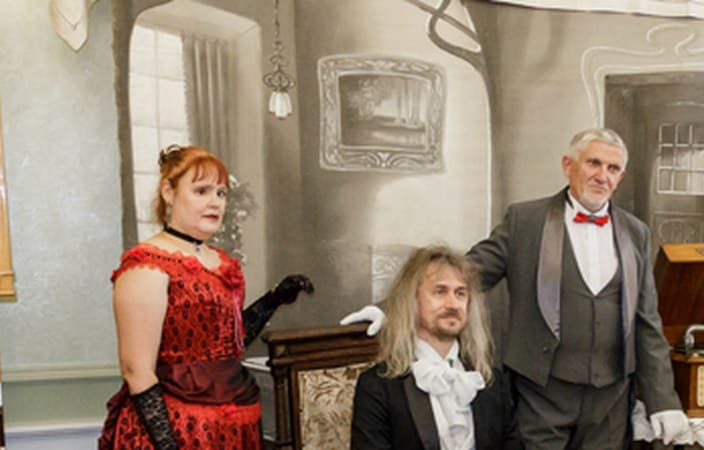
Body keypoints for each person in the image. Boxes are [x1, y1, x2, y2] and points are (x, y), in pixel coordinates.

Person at [343, 128, 690, 448]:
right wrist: (390, 309)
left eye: (613, 168)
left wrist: (663, 400)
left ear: (621, 177)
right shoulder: (526, 220)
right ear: (568, 165)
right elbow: (467, 272)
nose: (603, 175)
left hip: (611, 401)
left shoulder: (636, 232)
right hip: (542, 396)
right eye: (594, 163)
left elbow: (647, 321)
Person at [98, 145, 314, 450]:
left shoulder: (219, 261)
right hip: (177, 429)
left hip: (232, 428)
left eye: (221, 193)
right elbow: (137, 371)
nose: (215, 203)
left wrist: (274, 299)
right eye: (201, 191)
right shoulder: (146, 266)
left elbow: (228, 343)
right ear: (169, 192)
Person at [351, 245, 521, 450]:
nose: (453, 304)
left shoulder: (491, 382)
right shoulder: (377, 387)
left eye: (460, 293)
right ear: (412, 300)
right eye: (440, 291)